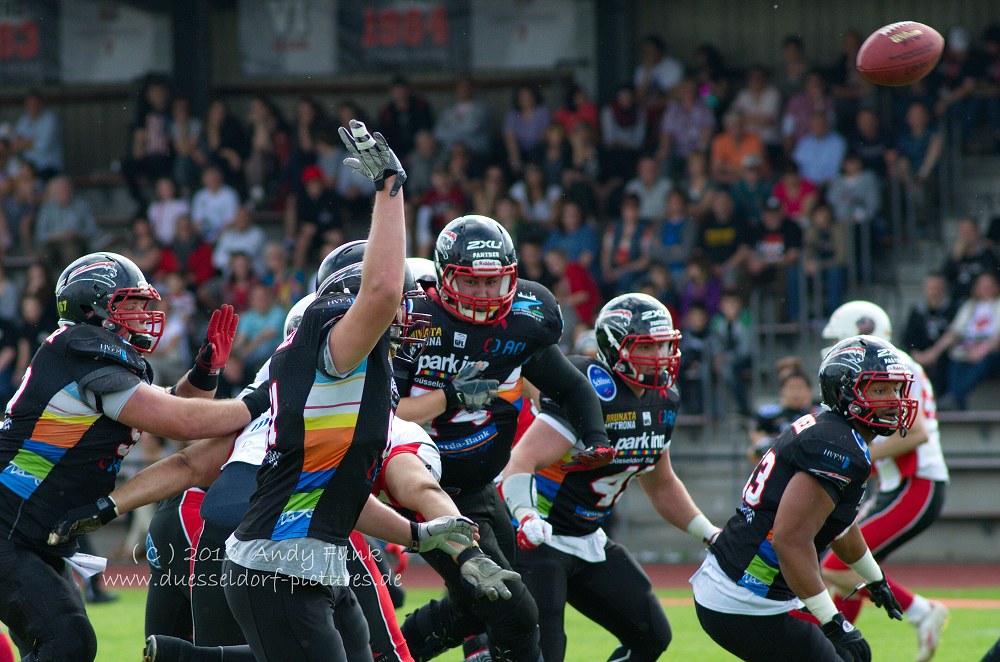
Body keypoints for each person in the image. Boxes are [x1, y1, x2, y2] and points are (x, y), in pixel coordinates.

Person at [0, 251, 269, 662]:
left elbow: (173, 403)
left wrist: (205, 372)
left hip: (30, 530)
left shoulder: (94, 359)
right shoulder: (81, 347)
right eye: (132, 303)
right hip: (9, 525)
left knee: (59, 643)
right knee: (69, 642)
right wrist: (265, 399)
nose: (145, 313)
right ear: (92, 307)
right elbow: (180, 421)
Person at [395, 214, 613, 660]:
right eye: (471, 284)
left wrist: (595, 435)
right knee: (513, 608)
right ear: (444, 276)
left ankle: (391, 652)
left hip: (479, 485)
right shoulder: (413, 319)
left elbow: (570, 385)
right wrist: (451, 396)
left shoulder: (522, 323)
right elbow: (385, 413)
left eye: (493, 283)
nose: (484, 295)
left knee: (481, 606)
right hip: (421, 482)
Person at [501, 293, 721, 662]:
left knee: (651, 634)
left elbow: (662, 482)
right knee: (544, 653)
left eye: (666, 344)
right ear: (616, 346)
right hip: (539, 539)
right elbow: (521, 460)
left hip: (589, 538)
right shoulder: (587, 387)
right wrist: (526, 517)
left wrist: (708, 532)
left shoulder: (664, 398)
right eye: (650, 347)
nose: (662, 355)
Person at [692, 334, 911, 661]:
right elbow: (790, 539)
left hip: (756, 590)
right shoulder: (838, 447)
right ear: (844, 393)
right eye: (879, 390)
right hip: (744, 596)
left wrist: (874, 578)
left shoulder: (839, 435)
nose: (893, 400)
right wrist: (833, 620)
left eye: (894, 389)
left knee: (856, 657)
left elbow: (840, 525)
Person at [821, 301, 950, 661]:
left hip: (915, 483)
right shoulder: (894, 364)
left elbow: (916, 433)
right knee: (849, 571)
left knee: (836, 567)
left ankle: (922, 612)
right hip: (898, 486)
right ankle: (837, 649)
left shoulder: (894, 366)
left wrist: (855, 457)